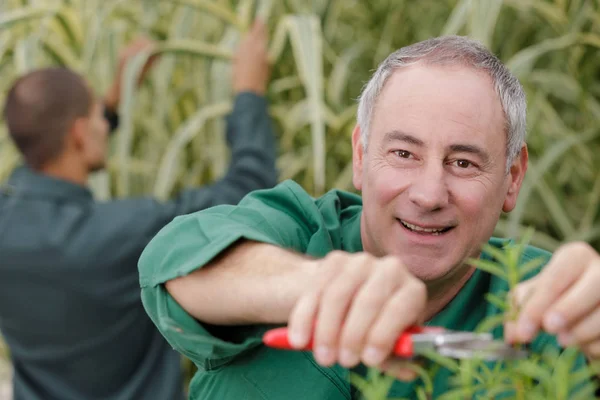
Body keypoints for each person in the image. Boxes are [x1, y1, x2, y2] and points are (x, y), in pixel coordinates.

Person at [137, 35, 600, 399]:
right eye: (403, 153)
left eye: (463, 163)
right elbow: (175, 264)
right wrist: (316, 290)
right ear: (361, 155)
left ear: (512, 178)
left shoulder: (545, 301)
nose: (428, 194)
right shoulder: (295, 233)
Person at [0, 20, 277, 400]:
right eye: (97, 116)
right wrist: (249, 92)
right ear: (80, 134)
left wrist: (113, 101)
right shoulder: (128, 232)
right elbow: (248, 191)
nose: (104, 120)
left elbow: (53, 148)